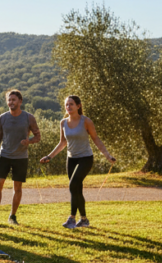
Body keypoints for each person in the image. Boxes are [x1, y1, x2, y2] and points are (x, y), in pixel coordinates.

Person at [40, 95, 116, 228]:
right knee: (76, 189)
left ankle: (71, 218)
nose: (68, 107)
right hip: (71, 159)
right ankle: (84, 219)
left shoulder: (86, 121)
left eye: (71, 104)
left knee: (73, 184)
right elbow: (62, 143)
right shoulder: (63, 123)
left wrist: (107, 155)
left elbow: (96, 139)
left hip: (85, 158)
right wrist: (49, 156)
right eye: (66, 104)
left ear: (78, 106)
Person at [0, 89, 41, 226]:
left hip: (21, 157)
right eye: (9, 100)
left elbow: (37, 136)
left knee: (17, 187)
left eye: (14, 100)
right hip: (4, 155)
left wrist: (29, 141)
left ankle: (12, 216)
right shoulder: (2, 118)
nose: (11, 102)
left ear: (20, 101)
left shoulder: (28, 118)